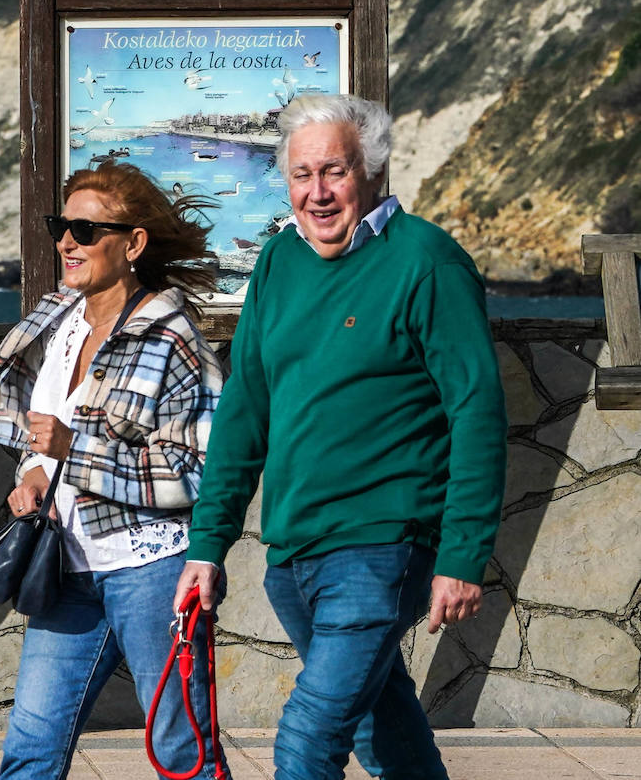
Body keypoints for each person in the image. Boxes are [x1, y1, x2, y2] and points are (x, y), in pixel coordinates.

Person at [175, 94, 508, 780]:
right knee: (384, 733)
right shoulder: (276, 262)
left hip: (383, 547)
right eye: (302, 174)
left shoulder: (427, 262)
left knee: (308, 735)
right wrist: (208, 544)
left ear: (372, 170)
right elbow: (245, 411)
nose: (317, 192)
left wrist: (463, 554)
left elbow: (477, 411)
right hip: (293, 555)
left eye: (335, 171)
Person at [0, 159, 229, 780]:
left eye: (87, 231)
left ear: (133, 243)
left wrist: (73, 452)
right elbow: (44, 440)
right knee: (30, 750)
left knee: (180, 748)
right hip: (68, 565)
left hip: (152, 570)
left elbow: (198, 468)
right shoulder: (58, 323)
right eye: (62, 225)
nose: (68, 241)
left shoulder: (172, 341)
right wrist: (33, 476)